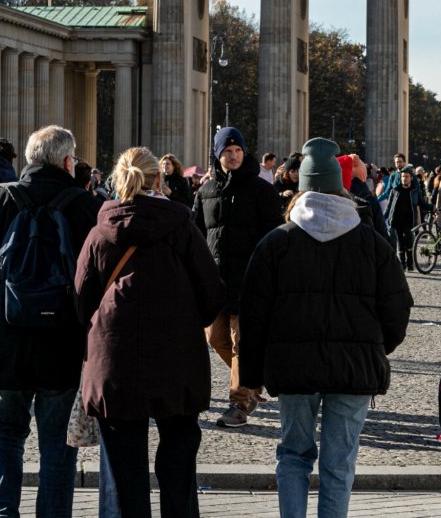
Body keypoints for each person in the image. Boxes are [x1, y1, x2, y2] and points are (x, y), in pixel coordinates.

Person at [240, 137, 413, 518]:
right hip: (354, 366)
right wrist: (375, 347)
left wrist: (251, 374)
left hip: (293, 367)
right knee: (339, 463)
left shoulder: (275, 243)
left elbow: (253, 315)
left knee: (293, 455)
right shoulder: (372, 243)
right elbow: (399, 307)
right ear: (342, 185)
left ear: (299, 187)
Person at [0, 125, 101, 518]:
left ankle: (2, 513)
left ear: (30, 159)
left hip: (5, 342)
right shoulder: (84, 207)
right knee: (57, 443)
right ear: (68, 161)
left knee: (3, 434)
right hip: (63, 347)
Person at [74, 146, 225, 518]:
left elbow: (81, 299)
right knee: (178, 460)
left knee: (123, 472)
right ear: (160, 179)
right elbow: (212, 293)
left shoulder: (100, 232)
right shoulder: (182, 228)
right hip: (177, 358)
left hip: (115, 358)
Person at [192, 125, 283, 429]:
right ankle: (253, 383)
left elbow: (274, 237)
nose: (233, 156)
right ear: (217, 155)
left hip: (249, 281)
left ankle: (238, 403)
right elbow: (196, 236)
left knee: (240, 343)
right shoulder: (204, 192)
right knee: (216, 339)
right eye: (227, 151)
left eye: (238, 151)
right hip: (216, 282)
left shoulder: (262, 190)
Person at [382, 165, 427, 271]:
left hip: (409, 220)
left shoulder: (414, 191)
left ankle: (410, 264)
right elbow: (389, 206)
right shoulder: (395, 190)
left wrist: (431, 207)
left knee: (409, 241)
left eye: (406, 176)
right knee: (400, 243)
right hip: (397, 220)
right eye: (402, 176)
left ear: (411, 178)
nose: (404, 178)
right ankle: (402, 264)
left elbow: (421, 202)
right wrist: (383, 217)